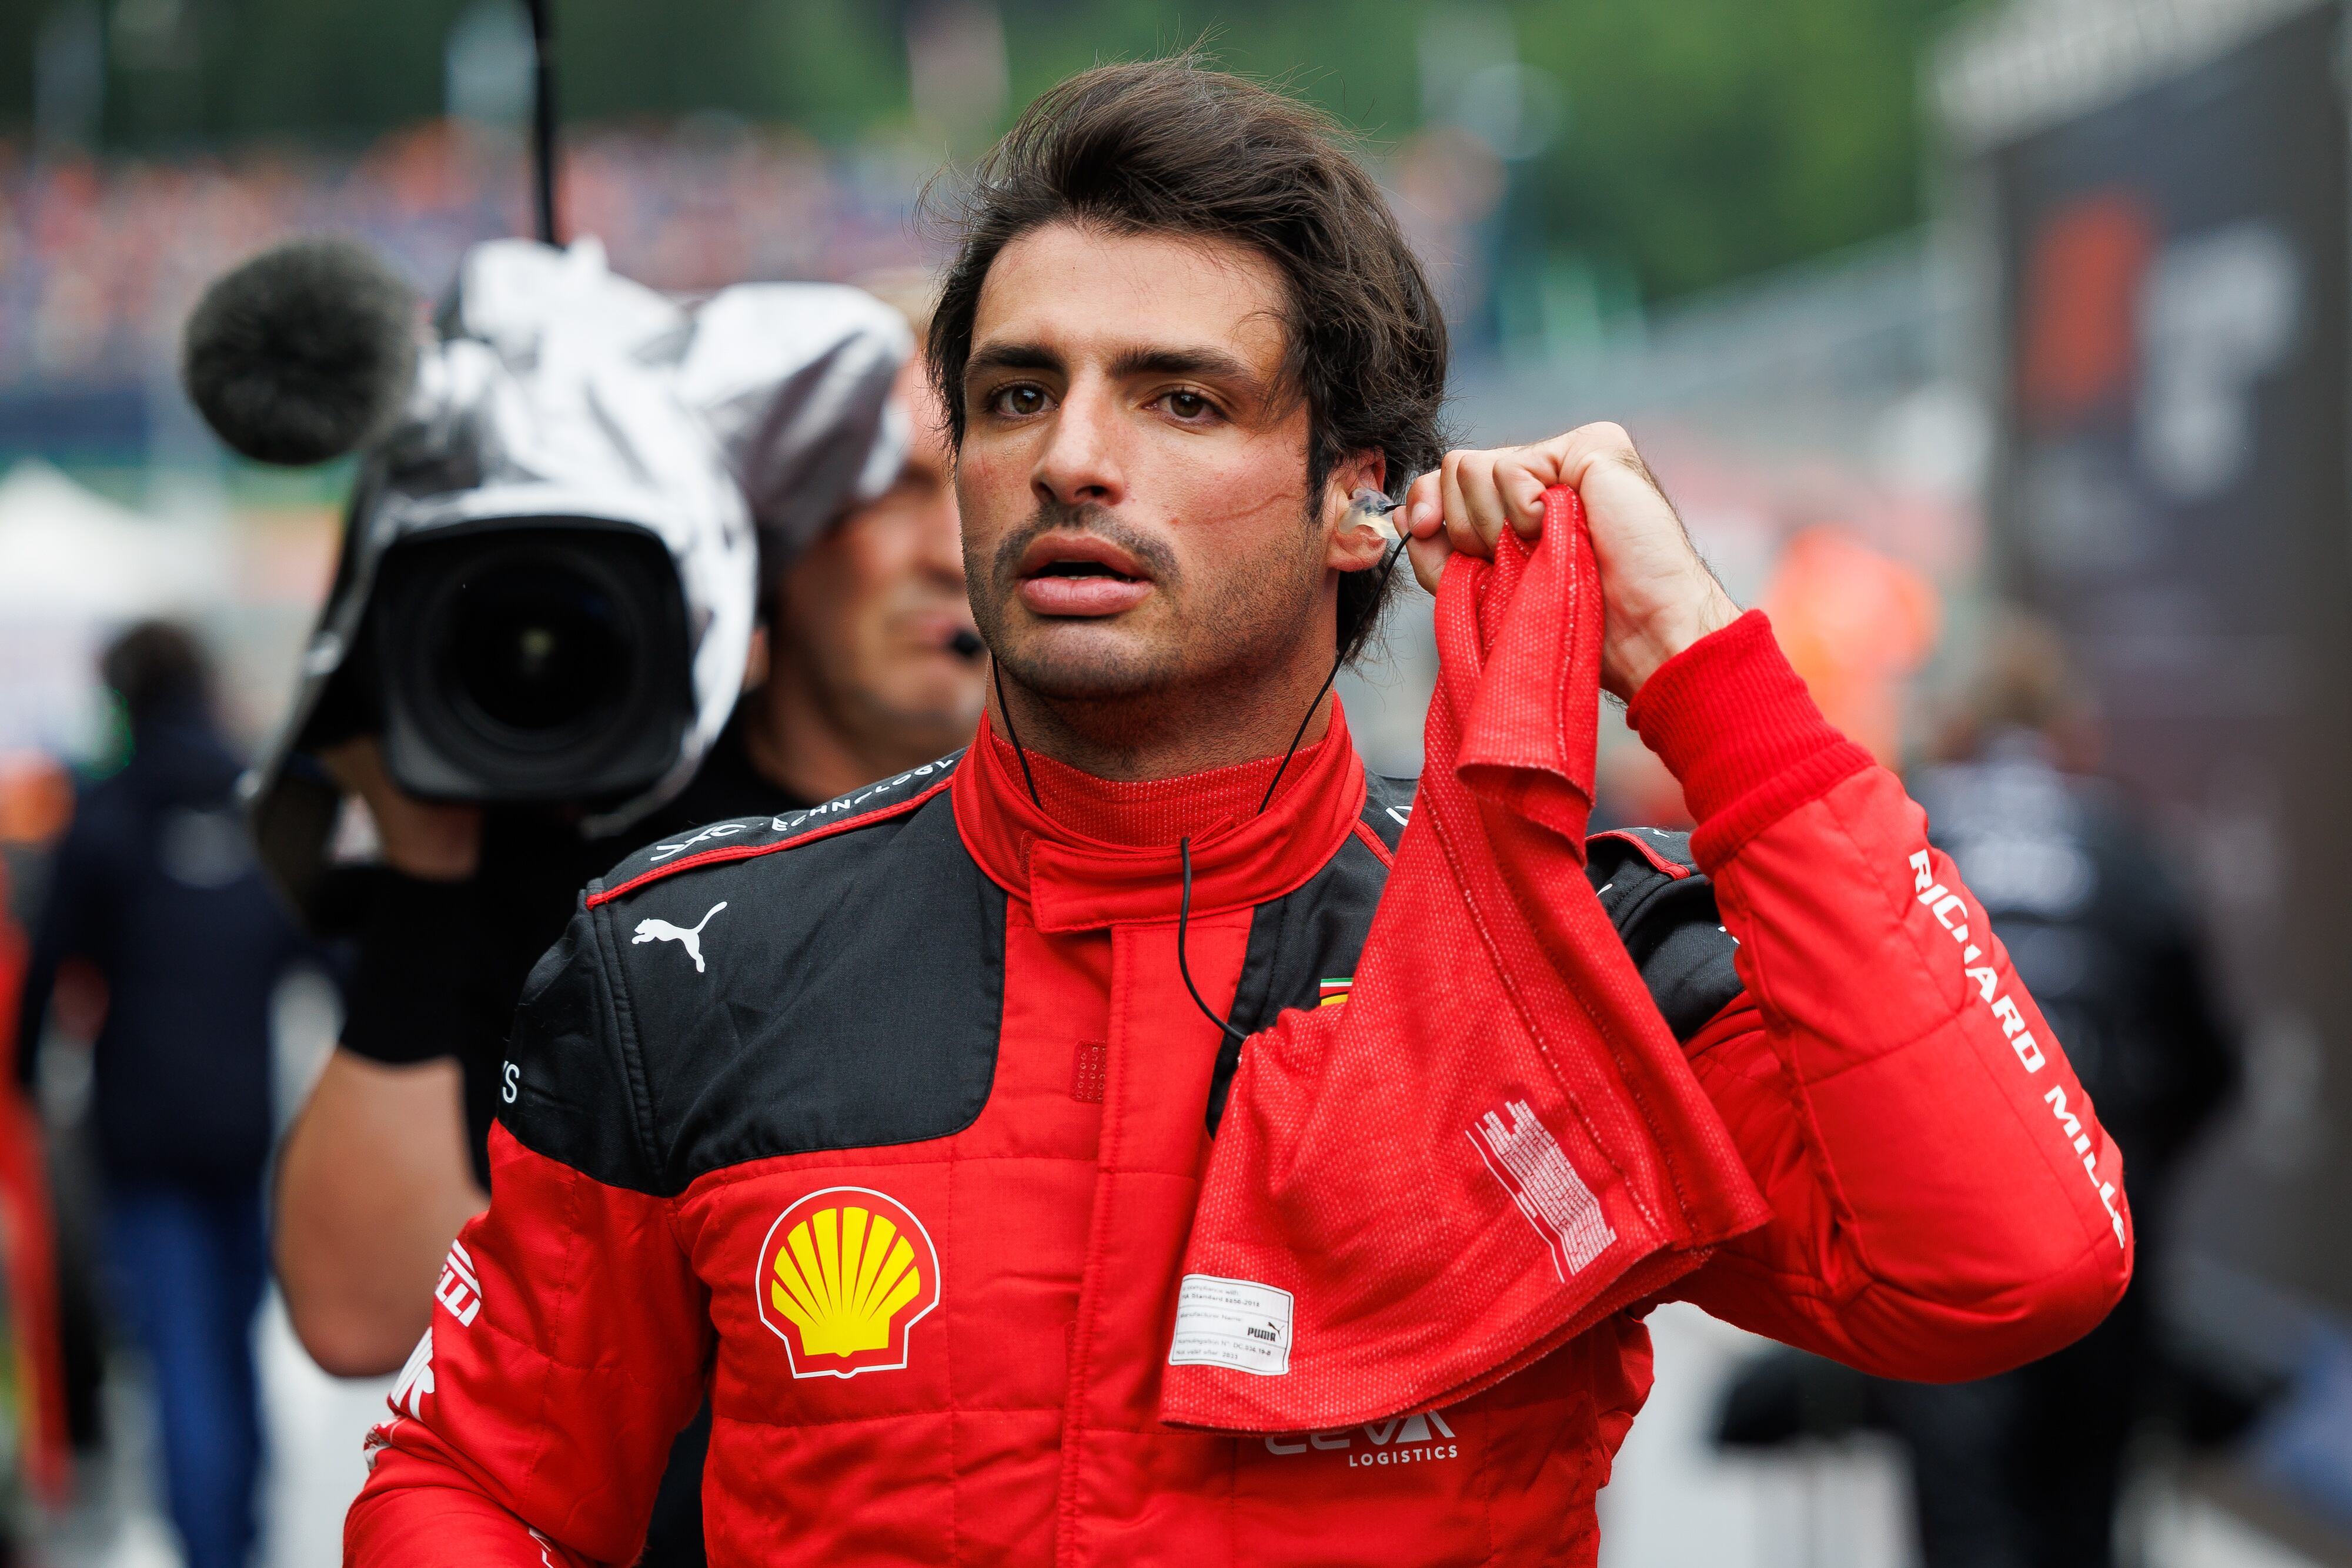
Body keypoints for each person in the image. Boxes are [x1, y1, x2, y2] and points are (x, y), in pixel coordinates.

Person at [343, 60, 2130, 1567]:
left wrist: (1703, 673)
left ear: (1365, 502)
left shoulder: (1565, 964)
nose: (1069, 457)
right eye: (1016, 392)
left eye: (1178, 397)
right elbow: (479, 1479)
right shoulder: (687, 961)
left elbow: (2011, 1263)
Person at [1870, 610, 2234, 1568]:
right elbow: (2211, 1063)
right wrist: (2134, 1169)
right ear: (2073, 733)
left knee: (1966, 1535)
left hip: (1940, 1246)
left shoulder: (1904, 831)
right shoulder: (2126, 844)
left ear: (1956, 725)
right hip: (2100, 1238)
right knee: (2080, 1527)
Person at [15, 622, 320, 1568]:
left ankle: (215, 1548)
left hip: (141, 1132)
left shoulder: (105, 816)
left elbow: (45, 971)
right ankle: (247, 1533)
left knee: (181, 1358)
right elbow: (323, 952)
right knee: (232, 1349)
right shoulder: (257, 805)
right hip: (246, 1128)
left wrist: (23, 1085)